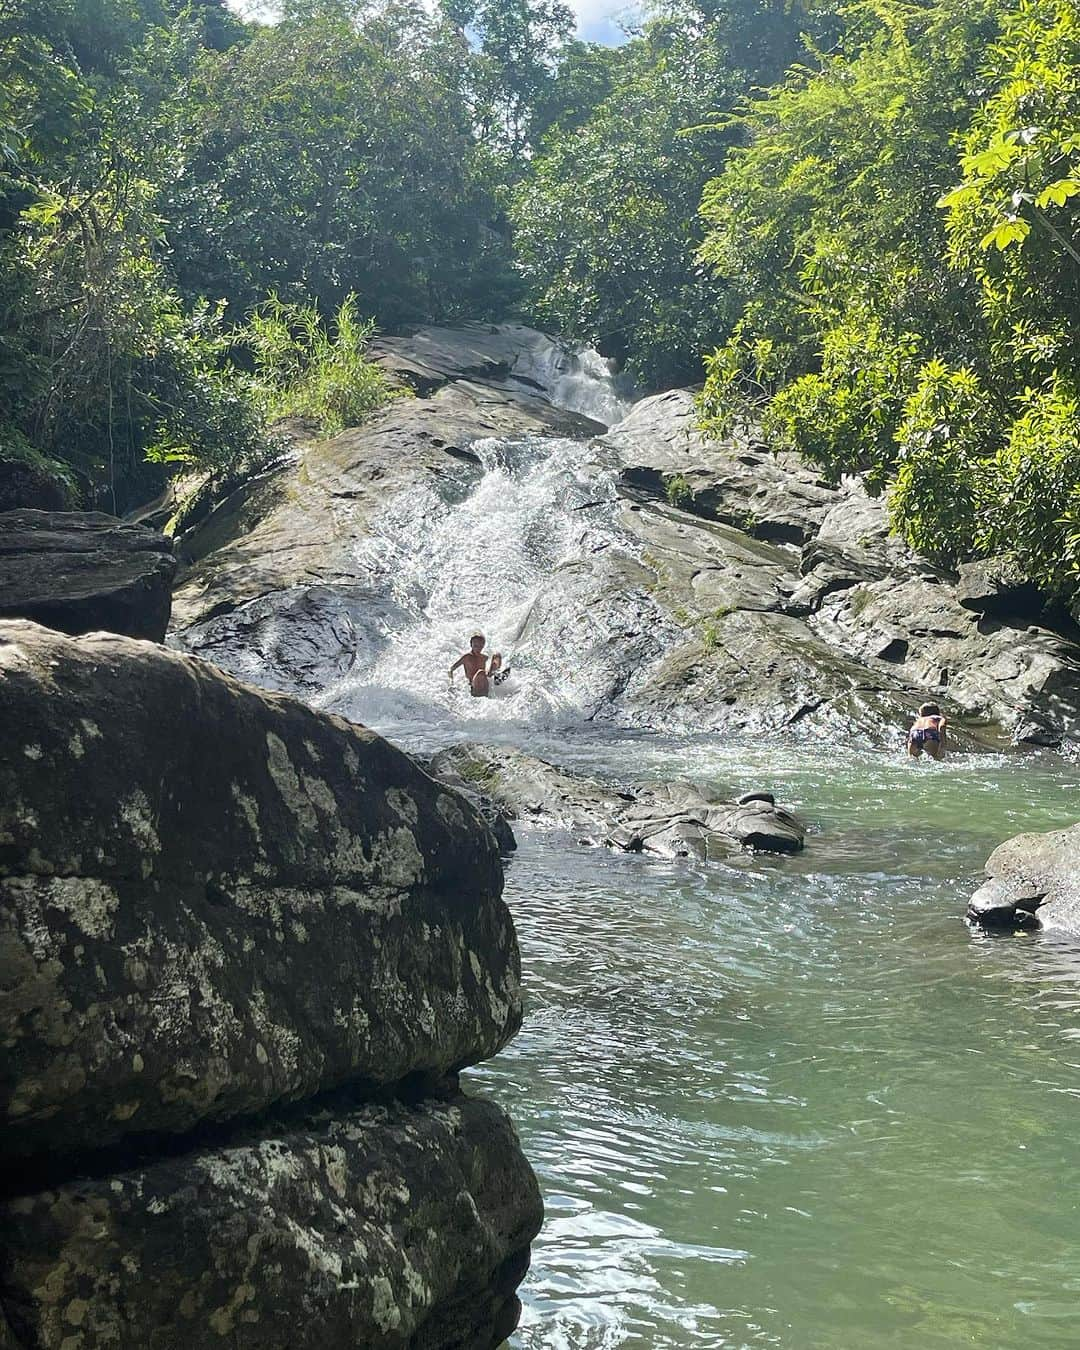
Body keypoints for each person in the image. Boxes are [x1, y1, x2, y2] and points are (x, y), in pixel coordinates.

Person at [449, 632, 503, 698]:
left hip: (484, 681)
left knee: (497, 655)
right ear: (471, 645)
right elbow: (451, 669)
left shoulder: (484, 658)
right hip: (473, 686)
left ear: (483, 646)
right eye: (475, 646)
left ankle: (498, 676)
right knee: (481, 672)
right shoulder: (467, 657)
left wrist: (494, 666)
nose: (478, 649)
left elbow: (485, 672)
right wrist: (451, 683)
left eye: (480, 646)